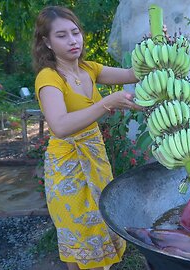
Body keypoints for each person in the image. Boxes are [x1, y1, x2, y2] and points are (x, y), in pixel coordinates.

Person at [32, 6, 140, 270]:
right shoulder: (49, 77)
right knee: (80, 237)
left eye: (75, 32)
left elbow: (134, 73)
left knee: (102, 227)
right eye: (62, 36)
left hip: (95, 159)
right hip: (68, 168)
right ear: (47, 41)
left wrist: (158, 45)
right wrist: (106, 104)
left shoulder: (89, 69)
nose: (72, 41)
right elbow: (59, 125)